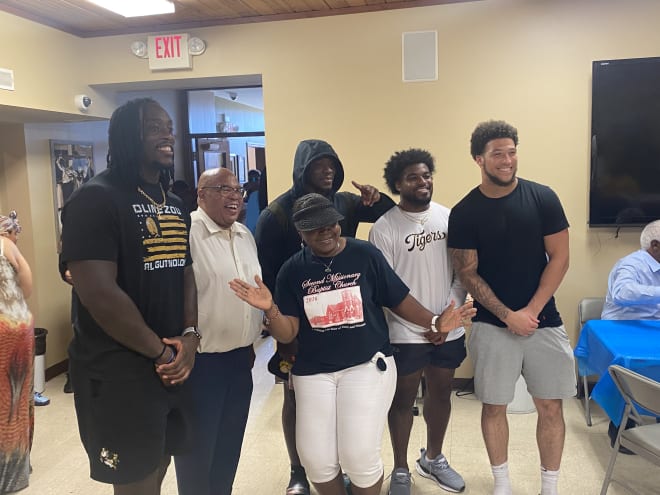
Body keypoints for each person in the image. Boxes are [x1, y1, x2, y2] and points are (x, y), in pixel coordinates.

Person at [231, 193, 474, 495]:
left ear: (338, 223)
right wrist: (270, 308)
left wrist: (437, 322)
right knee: (316, 460)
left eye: (330, 224)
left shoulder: (365, 255)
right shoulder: (293, 270)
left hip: (366, 364)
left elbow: (400, 300)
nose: (325, 232)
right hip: (313, 371)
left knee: (358, 456)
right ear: (300, 234)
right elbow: (286, 332)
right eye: (314, 229)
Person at [60, 97, 198, 495]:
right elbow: (99, 293)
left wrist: (189, 335)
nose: (167, 134)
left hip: (170, 363)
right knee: (134, 479)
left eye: (168, 126)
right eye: (154, 127)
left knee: (160, 460)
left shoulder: (173, 203)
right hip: (118, 370)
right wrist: (160, 351)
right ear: (126, 136)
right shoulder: (95, 198)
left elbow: (185, 272)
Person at [255, 139, 395, 495]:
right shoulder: (277, 214)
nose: (328, 171)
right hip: (295, 321)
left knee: (346, 407)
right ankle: (298, 469)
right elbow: (267, 274)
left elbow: (389, 215)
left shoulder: (345, 203)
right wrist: (283, 332)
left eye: (333, 164)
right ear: (303, 169)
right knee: (295, 398)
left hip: (343, 320)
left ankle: (343, 466)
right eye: (320, 165)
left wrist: (376, 199)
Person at [447, 120, 575, 495]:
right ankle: (502, 484)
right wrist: (507, 316)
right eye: (497, 154)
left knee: (551, 408)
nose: (506, 161)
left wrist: (530, 313)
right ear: (479, 159)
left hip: (543, 322)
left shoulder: (543, 197)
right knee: (494, 407)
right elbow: (467, 273)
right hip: (491, 325)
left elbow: (560, 258)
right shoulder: (465, 211)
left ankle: (549, 487)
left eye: (511, 152)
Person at [369, 149, 467, 494]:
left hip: (448, 327)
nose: (423, 182)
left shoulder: (450, 218)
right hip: (405, 330)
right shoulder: (384, 229)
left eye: (426, 175)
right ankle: (399, 467)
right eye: (413, 177)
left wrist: (448, 319)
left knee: (441, 394)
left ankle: (434, 458)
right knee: (403, 400)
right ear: (397, 183)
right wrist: (430, 324)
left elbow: (462, 274)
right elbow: (388, 288)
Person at [173, 167, 262, 495]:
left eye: (238, 190)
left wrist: (249, 339)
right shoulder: (188, 232)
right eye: (223, 188)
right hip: (202, 366)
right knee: (197, 455)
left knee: (228, 449)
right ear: (201, 195)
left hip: (240, 362)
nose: (234, 195)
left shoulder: (244, 235)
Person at [600, 219, 660, 453]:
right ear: (655, 246)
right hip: (622, 328)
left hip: (652, 327)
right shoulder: (631, 264)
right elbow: (623, 292)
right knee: (630, 366)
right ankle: (622, 426)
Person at [0, 211, 34, 493]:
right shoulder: (7, 245)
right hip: (13, 329)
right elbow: (27, 287)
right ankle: (12, 473)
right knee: (13, 403)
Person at [243, 169, 262, 234]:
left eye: (256, 179)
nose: (254, 182)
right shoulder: (248, 197)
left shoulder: (257, 196)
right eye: (251, 180)